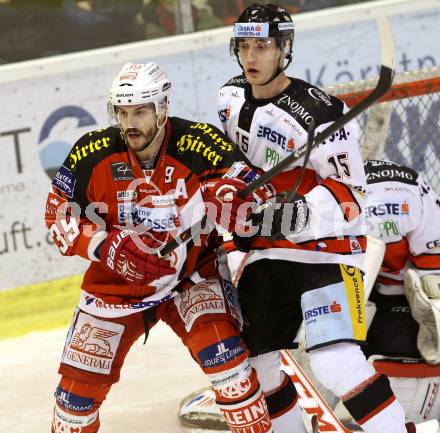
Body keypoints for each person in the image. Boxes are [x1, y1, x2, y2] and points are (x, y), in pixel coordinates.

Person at [45, 61, 279, 433]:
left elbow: (255, 189)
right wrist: (105, 246)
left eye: (139, 111)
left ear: (162, 107)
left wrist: (236, 202)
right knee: (74, 402)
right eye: (122, 112)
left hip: (191, 278)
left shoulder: (198, 142)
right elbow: (57, 213)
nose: (130, 123)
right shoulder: (93, 151)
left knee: (230, 368)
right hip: (115, 289)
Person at [214, 3, 413, 433]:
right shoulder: (228, 99)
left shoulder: (323, 114)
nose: (251, 57)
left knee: (334, 362)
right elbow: (231, 167)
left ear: (284, 48)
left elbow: (352, 195)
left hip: (327, 250)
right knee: (255, 364)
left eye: (262, 46)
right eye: (244, 46)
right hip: (268, 252)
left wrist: (301, 212)